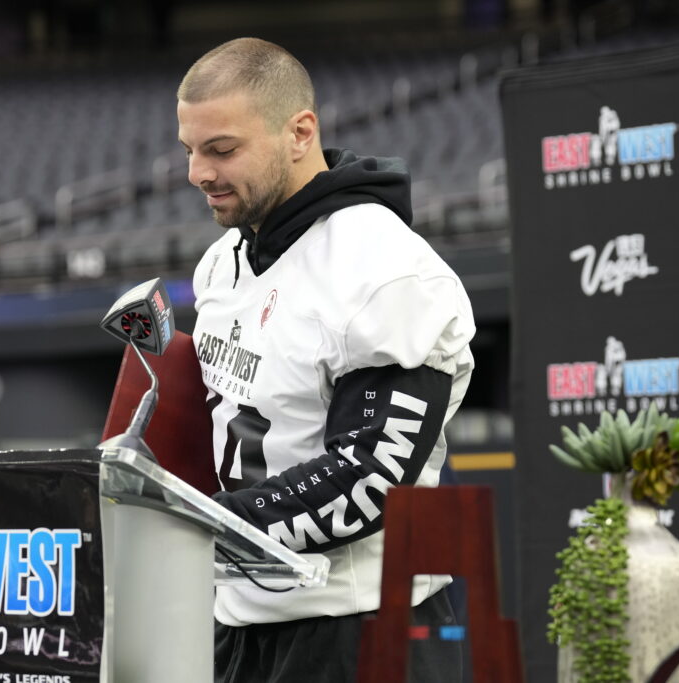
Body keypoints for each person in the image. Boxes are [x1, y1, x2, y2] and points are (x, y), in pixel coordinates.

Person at [178, 38, 475, 682]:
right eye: (190, 150)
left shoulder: (385, 270)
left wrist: (199, 529)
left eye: (221, 149)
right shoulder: (220, 265)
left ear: (299, 132)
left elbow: (370, 479)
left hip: (362, 626)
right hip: (239, 619)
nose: (197, 172)